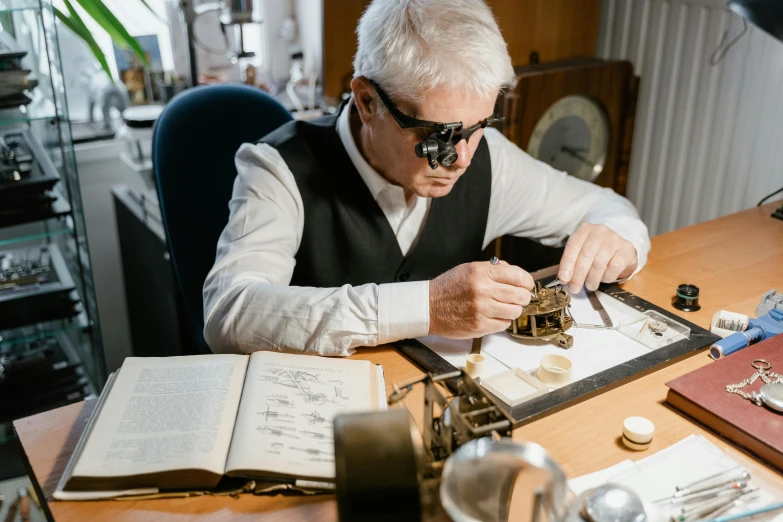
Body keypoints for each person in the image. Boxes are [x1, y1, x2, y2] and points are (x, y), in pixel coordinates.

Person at [203, 0, 651, 356]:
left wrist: (619, 240)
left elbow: (609, 208)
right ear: (367, 102)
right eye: (440, 135)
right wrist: (427, 307)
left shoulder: (488, 159)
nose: (461, 159)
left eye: (478, 127)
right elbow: (229, 315)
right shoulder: (277, 168)